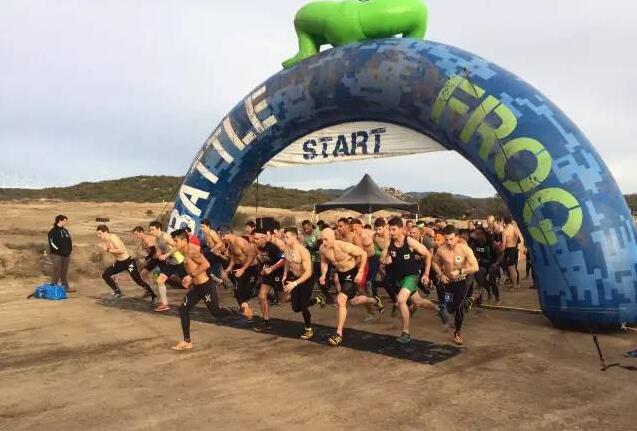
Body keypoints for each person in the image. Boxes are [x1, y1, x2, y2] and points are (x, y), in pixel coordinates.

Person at [383, 217, 443, 344]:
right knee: (418, 301)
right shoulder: (389, 242)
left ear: (401, 229)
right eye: (390, 229)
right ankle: (439, 309)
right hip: (400, 278)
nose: (391, 232)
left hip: (412, 276)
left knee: (401, 300)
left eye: (394, 229)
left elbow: (427, 254)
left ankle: (406, 333)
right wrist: (385, 260)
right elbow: (382, 258)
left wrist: (426, 273)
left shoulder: (409, 241)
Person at [170, 229, 232, 351]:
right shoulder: (181, 250)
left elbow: (206, 265)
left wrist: (191, 276)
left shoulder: (192, 251)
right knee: (183, 309)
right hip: (196, 288)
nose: (174, 243)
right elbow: (190, 266)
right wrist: (188, 279)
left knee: (216, 312)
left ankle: (236, 311)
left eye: (176, 241)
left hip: (206, 286)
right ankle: (187, 341)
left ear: (184, 240)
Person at [319, 228, 383, 347]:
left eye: (326, 239)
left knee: (341, 300)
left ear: (333, 237)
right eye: (322, 239)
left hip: (352, 273)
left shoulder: (344, 246)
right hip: (341, 274)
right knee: (352, 301)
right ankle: (374, 300)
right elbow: (324, 262)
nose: (324, 242)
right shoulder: (323, 248)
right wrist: (323, 274)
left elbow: (363, 254)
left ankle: (339, 333)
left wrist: (360, 271)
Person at [432, 225, 479, 345]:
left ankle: (457, 333)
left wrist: (461, 271)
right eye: (446, 239)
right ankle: (471, 300)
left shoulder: (464, 249)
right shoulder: (441, 250)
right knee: (448, 306)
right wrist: (441, 275)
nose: (449, 242)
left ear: (457, 238)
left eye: (451, 239)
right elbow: (435, 263)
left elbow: (475, 267)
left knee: (458, 307)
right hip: (448, 284)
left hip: (461, 283)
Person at [282, 227, 325, 339]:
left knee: (304, 306)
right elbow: (287, 261)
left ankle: (308, 329)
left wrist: (295, 283)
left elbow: (308, 272)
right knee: (296, 308)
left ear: (294, 237)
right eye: (284, 237)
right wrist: (285, 274)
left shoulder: (303, 251)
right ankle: (317, 299)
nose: (284, 239)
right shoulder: (286, 248)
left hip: (307, 279)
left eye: (287, 237)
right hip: (295, 278)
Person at [96, 225, 157, 303]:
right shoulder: (106, 239)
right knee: (105, 275)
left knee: (138, 281)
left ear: (105, 232)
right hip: (120, 263)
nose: (98, 236)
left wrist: (108, 249)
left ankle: (153, 295)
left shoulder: (113, 238)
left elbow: (120, 250)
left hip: (128, 263)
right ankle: (117, 291)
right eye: (97, 234)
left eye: (100, 233)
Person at [149, 221, 186, 312]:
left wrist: (166, 255)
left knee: (190, 282)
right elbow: (159, 252)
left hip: (179, 261)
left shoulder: (165, 236)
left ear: (158, 229)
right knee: (160, 280)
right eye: (150, 230)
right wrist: (149, 259)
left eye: (152, 229)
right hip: (171, 263)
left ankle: (208, 291)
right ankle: (164, 304)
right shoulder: (156, 239)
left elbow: (177, 246)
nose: (151, 231)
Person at [253, 228, 286, 332]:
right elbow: (264, 260)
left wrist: (271, 268)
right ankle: (266, 322)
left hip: (280, 273)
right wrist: (263, 268)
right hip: (269, 275)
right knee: (262, 296)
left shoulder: (272, 247)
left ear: (264, 238)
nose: (255, 241)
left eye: (257, 239)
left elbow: (283, 260)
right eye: (254, 238)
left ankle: (316, 300)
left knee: (286, 300)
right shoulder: (257, 247)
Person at [221, 230, 259, 320]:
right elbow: (234, 257)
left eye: (222, 237)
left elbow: (252, 255)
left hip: (251, 268)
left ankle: (247, 309)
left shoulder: (240, 241)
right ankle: (246, 312)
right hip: (241, 268)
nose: (222, 239)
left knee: (246, 292)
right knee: (238, 290)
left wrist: (243, 269)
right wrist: (229, 268)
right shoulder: (230, 243)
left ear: (227, 234)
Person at [351, 218, 378, 321]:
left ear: (360, 226)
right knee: (362, 287)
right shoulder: (355, 237)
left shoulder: (368, 233)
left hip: (372, 259)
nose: (354, 230)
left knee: (369, 284)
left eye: (355, 228)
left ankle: (374, 303)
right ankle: (372, 307)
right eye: (352, 229)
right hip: (363, 261)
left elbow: (380, 234)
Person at [302, 219, 332, 303]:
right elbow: (306, 248)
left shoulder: (317, 232)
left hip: (324, 259)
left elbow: (320, 244)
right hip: (315, 260)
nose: (306, 230)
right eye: (304, 229)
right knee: (319, 280)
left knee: (325, 278)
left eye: (307, 228)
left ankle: (328, 295)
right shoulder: (306, 237)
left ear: (311, 225)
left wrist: (310, 249)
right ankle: (327, 296)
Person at [470, 227, 500, 305]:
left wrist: (496, 263)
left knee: (492, 280)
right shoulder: (474, 243)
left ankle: (497, 297)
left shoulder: (491, 243)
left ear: (483, 234)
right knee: (480, 278)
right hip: (482, 264)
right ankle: (488, 291)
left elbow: (502, 253)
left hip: (492, 264)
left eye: (479, 233)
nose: (477, 235)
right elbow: (472, 253)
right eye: (476, 234)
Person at [48, 214, 74, 292]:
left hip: (66, 255)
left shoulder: (65, 231)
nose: (66, 222)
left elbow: (69, 241)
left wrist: (69, 250)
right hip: (56, 255)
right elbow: (51, 243)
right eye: (65, 221)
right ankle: (53, 288)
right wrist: (58, 250)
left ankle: (65, 288)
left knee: (64, 272)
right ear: (60, 221)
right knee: (57, 271)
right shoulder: (52, 231)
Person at [132, 226, 159, 296]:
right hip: (155, 259)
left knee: (161, 277)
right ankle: (148, 290)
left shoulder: (146, 239)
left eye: (136, 234)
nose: (135, 236)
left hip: (161, 259)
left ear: (141, 233)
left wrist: (146, 258)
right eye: (134, 234)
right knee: (143, 273)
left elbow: (153, 250)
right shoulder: (143, 240)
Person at [502, 216, 520, 291]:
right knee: (514, 268)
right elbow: (518, 239)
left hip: (509, 250)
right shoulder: (515, 229)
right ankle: (515, 284)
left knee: (511, 269)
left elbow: (503, 245)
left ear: (505, 222)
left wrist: (502, 252)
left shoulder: (505, 231)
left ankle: (515, 286)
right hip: (515, 249)